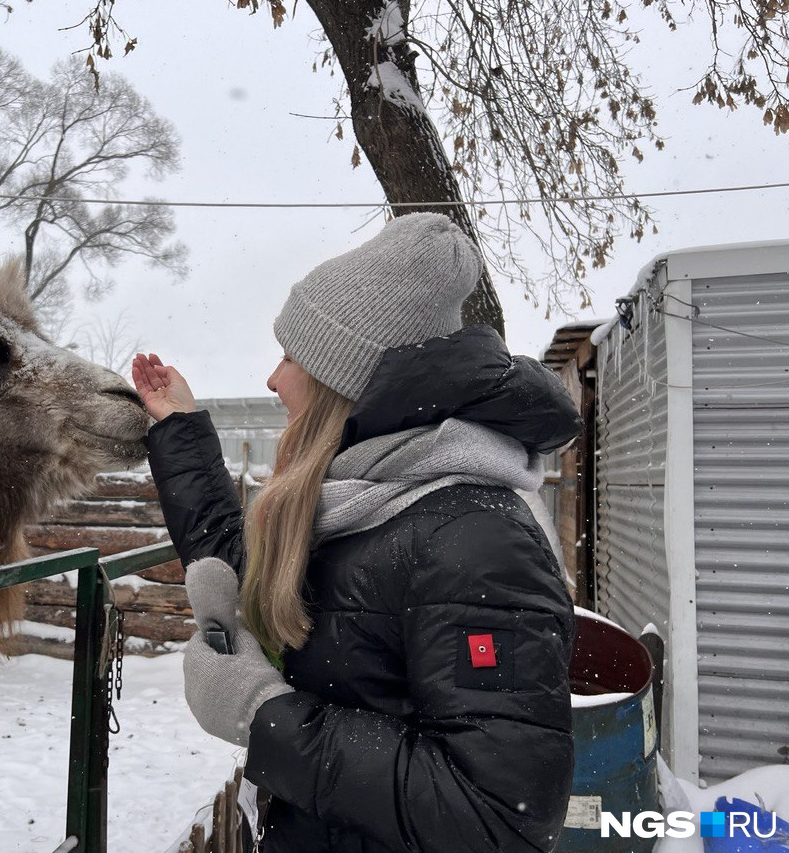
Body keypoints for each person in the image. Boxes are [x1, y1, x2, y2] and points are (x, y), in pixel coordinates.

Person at [131, 213, 582, 853]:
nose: (272, 378)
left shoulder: (476, 542)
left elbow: (496, 818)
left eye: (290, 354)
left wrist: (265, 717)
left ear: (343, 377)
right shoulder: (366, 502)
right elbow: (256, 569)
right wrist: (180, 428)